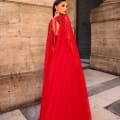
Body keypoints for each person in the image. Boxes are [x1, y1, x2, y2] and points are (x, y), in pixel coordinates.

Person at [38, 0, 92, 120]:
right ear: (55, 7)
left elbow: (51, 46)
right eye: (63, 5)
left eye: (66, 6)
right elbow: (70, 42)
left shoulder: (51, 22)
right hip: (67, 59)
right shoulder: (65, 20)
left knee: (57, 89)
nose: (65, 8)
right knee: (69, 88)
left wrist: (53, 63)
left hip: (56, 61)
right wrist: (76, 62)